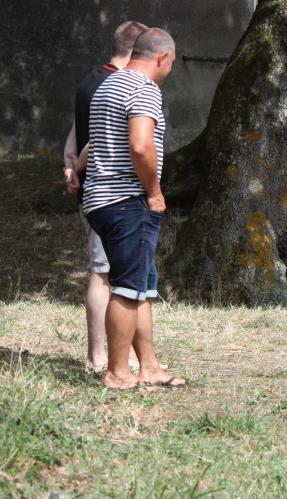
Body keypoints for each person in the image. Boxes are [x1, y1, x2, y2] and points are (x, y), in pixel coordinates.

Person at [83, 27, 185, 390]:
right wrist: (154, 192)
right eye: (171, 63)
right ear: (161, 58)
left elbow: (93, 143)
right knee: (127, 288)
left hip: (99, 200)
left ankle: (150, 366)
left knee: (140, 285)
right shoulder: (144, 89)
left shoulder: (108, 85)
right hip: (128, 202)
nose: (169, 70)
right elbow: (141, 147)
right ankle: (117, 372)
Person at [63, 21, 148, 376]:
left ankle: (113, 354)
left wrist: (69, 165)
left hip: (93, 188)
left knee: (111, 272)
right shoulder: (116, 83)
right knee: (105, 274)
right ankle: (100, 357)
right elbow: (99, 138)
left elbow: (75, 129)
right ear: (136, 50)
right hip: (110, 191)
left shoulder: (88, 81)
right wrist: (78, 166)